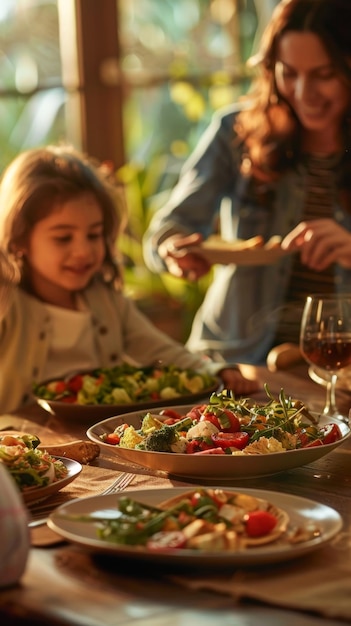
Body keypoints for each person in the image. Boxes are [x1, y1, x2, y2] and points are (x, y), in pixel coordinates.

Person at [143, 0, 351, 365]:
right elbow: (164, 233)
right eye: (290, 73)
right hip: (235, 362)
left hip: (338, 369)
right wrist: (174, 251)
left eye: (324, 74)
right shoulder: (234, 133)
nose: (304, 93)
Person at [0, 145, 259, 414]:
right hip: (22, 446)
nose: (83, 251)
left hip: (99, 440)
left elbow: (161, 350)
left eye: (94, 234)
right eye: (63, 238)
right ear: (19, 239)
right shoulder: (7, 304)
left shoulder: (107, 301)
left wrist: (213, 370)